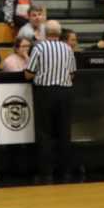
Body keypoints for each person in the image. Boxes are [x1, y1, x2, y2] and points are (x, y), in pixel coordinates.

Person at [25, 20, 76, 184]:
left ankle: (46, 173)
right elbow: (72, 73)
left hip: (45, 93)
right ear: (60, 33)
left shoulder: (39, 47)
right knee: (64, 132)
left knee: (45, 133)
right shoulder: (68, 48)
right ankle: (66, 171)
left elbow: (29, 74)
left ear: (45, 33)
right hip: (65, 92)